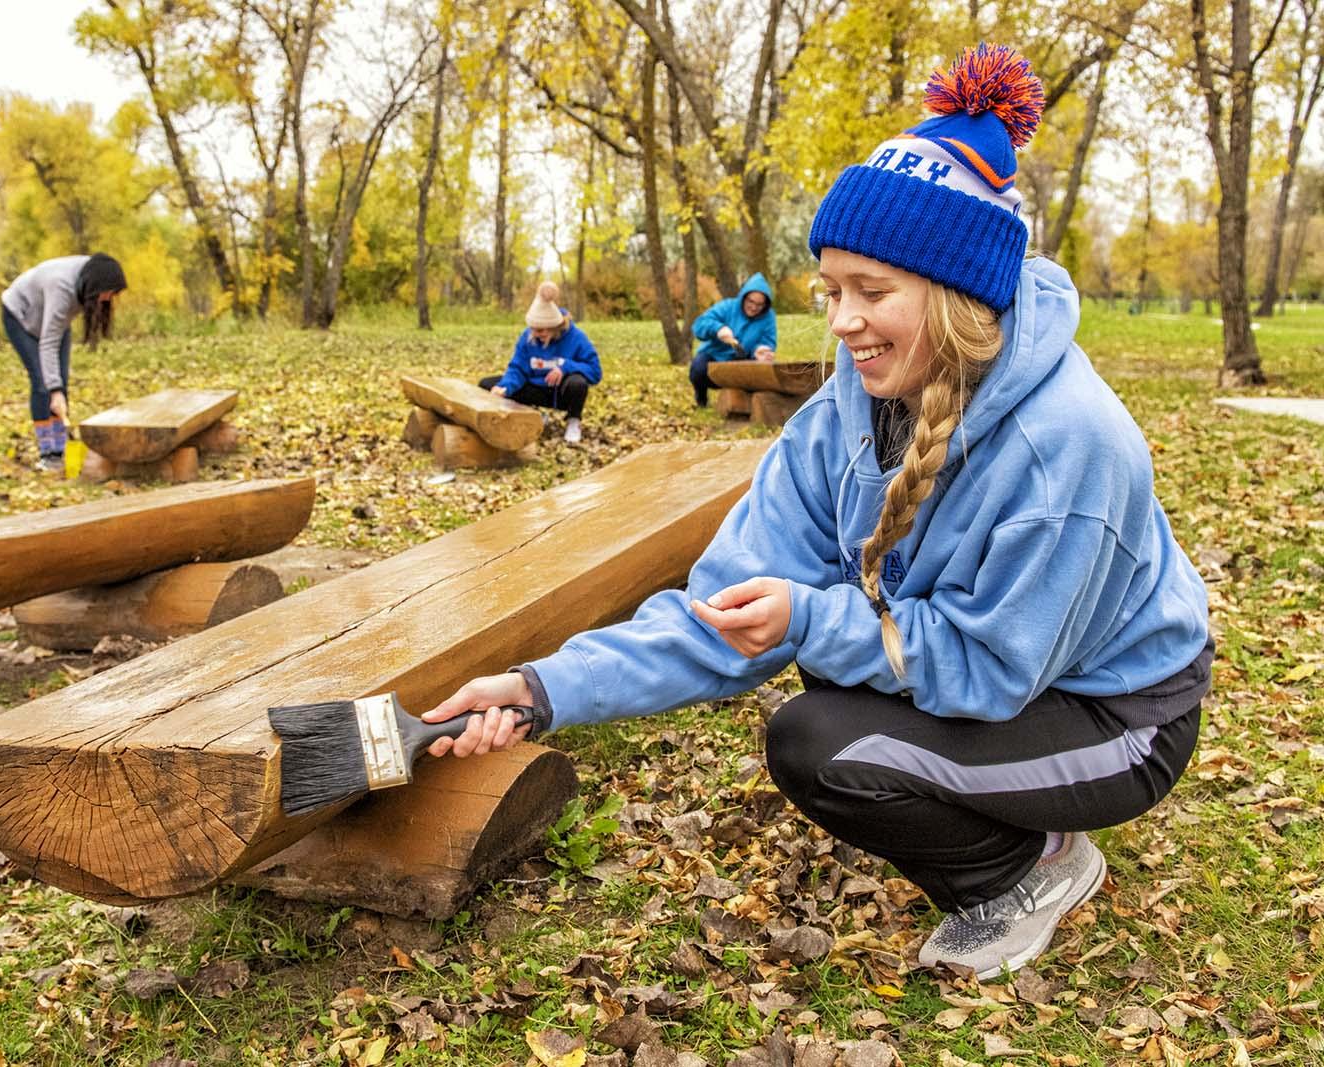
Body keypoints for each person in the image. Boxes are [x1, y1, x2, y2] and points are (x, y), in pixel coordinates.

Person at [422, 44, 1211, 981]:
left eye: (872, 292)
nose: (841, 322)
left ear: (962, 295)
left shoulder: (1071, 445)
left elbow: (989, 671)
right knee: (831, 717)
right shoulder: (845, 410)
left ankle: (1033, 870)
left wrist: (811, 617)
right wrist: (542, 688)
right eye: (831, 290)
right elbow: (718, 610)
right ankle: (1002, 821)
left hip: (1116, 712)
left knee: (827, 744)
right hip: (1001, 666)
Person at [1, 253, 128, 472]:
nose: (107, 298)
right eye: (106, 293)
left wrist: (59, 387)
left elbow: (55, 329)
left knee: (60, 381)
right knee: (43, 384)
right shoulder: (61, 287)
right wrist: (55, 389)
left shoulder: (92, 273)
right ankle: (48, 454)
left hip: (50, 319)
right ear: (94, 286)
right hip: (20, 316)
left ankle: (60, 450)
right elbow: (48, 343)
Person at [482, 282, 602, 445]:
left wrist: (566, 367)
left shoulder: (576, 337)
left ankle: (574, 421)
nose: (537, 334)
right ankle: (532, 415)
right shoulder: (528, 337)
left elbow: (595, 371)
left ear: (554, 326)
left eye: (541, 330)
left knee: (578, 383)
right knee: (487, 384)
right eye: (534, 330)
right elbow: (518, 368)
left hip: (561, 393)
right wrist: (505, 387)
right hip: (535, 389)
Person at [689, 273, 777, 408]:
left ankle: (748, 404)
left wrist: (761, 350)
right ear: (743, 297)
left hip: (744, 359)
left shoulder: (768, 317)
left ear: (766, 304)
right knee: (697, 369)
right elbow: (699, 325)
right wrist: (718, 329)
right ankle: (701, 399)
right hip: (714, 356)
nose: (754, 307)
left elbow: (768, 341)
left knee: (761, 375)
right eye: (751, 301)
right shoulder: (727, 307)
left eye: (759, 304)